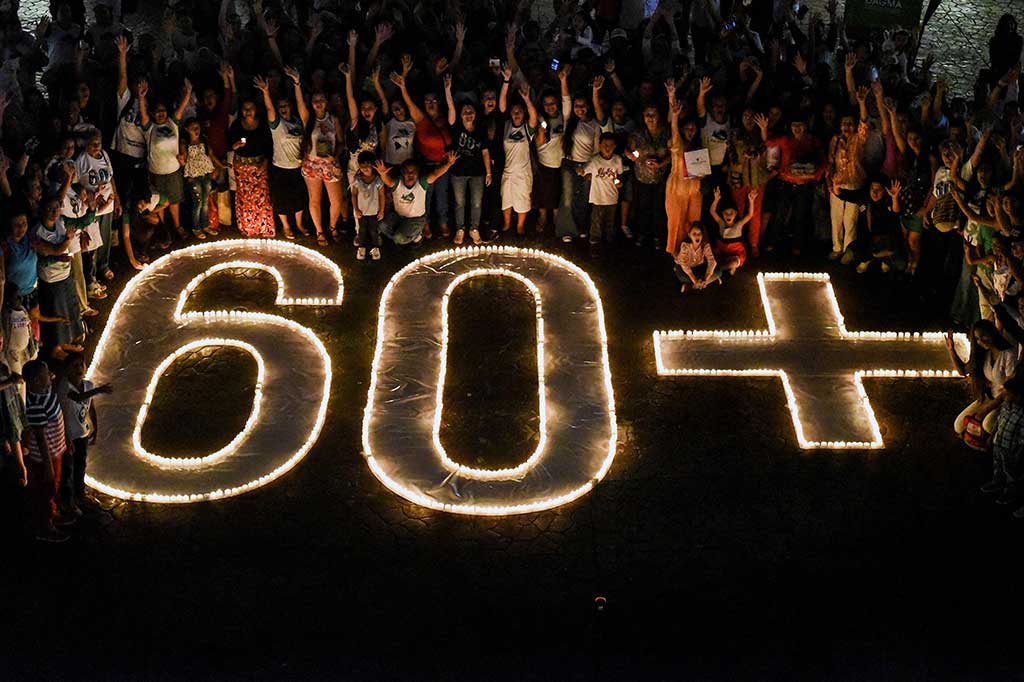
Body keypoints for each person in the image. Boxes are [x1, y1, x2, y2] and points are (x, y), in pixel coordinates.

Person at [255, 67, 309, 240]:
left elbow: (302, 108)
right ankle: (286, 227)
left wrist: (297, 83)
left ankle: (299, 224)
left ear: (290, 107)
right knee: (282, 199)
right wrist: (265, 92)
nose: (283, 109)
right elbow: (270, 110)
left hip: (298, 167)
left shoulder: (298, 123)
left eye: (285, 106)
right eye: (280, 107)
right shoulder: (277, 125)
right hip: (280, 168)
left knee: (299, 198)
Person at [138, 78, 192, 243]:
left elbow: (182, 109)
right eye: (157, 111)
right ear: (153, 113)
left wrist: (188, 92)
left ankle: (177, 226)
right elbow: (143, 114)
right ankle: (162, 229)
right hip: (157, 171)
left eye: (163, 110)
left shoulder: (172, 123)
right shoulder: (150, 128)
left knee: (174, 200)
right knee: (158, 204)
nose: (161, 113)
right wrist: (141, 98)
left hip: (173, 170)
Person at [22, 358, 71, 543]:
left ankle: (51, 512)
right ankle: (45, 526)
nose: (50, 377)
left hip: (55, 452)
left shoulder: (45, 391)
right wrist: (49, 465)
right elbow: (40, 438)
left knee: (53, 486)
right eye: (46, 375)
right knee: (46, 489)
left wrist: (66, 439)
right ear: (35, 381)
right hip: (45, 458)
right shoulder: (35, 404)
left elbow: (58, 415)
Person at [57, 352, 111, 515]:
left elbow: (90, 407)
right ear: (67, 370)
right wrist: (100, 389)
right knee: (68, 469)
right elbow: (79, 398)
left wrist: (94, 427)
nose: (79, 368)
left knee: (81, 464)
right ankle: (67, 502)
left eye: (81, 364)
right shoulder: (64, 387)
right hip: (68, 435)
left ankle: (80, 494)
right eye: (74, 366)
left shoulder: (88, 385)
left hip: (82, 433)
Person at [946, 321, 1018, 439]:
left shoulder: (1008, 354)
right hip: (989, 397)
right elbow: (963, 371)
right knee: (958, 426)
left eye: (984, 336)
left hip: (1004, 401)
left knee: (987, 425)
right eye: (977, 339)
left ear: (993, 333)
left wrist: (986, 409)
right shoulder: (984, 353)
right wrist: (951, 349)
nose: (981, 341)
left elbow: (1009, 389)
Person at [445, 75, 492, 245]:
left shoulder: (480, 129)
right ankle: (460, 229)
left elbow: (485, 152)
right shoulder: (455, 127)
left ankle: (474, 229)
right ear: (460, 115)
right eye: (465, 112)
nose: (468, 114)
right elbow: (450, 108)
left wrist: (488, 172)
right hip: (458, 173)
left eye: (471, 112)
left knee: (476, 203)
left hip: (477, 173)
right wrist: (447, 90)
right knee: (459, 203)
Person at [376, 153, 457, 245]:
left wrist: (449, 164)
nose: (410, 174)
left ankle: (416, 235)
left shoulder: (422, 183)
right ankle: (402, 234)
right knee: (382, 226)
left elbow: (436, 174)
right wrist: (383, 174)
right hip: (398, 216)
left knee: (399, 238)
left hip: (416, 219)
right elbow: (388, 181)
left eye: (413, 172)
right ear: (402, 173)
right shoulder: (398, 182)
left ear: (417, 173)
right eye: (407, 171)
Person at [227, 99, 275, 238]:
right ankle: (248, 227)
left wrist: (265, 162)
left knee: (261, 197)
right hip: (242, 167)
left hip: (259, 166)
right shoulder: (236, 125)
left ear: (256, 109)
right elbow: (230, 144)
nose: (248, 111)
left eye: (251, 108)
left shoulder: (262, 124)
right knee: (245, 197)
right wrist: (235, 146)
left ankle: (264, 227)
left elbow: (269, 145)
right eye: (245, 108)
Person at [664, 93, 703, 256]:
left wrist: (701, 174)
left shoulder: (697, 147)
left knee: (693, 222)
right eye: (687, 128)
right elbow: (673, 133)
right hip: (677, 190)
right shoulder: (678, 145)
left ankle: (691, 251)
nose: (690, 131)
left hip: (694, 191)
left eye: (693, 128)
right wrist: (674, 116)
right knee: (676, 222)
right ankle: (675, 252)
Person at [499, 80, 539, 236]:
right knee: (506, 198)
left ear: (524, 113)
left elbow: (534, 117)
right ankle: (507, 224)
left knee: (522, 199)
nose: (516, 114)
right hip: (508, 171)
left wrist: (527, 100)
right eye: (514, 112)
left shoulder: (527, 128)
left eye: (520, 112)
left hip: (523, 173)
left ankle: (520, 226)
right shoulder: (507, 125)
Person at [579, 131, 625, 250]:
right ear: (599, 145)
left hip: (612, 197)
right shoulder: (595, 161)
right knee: (596, 221)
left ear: (615, 146)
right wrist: (580, 171)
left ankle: (608, 241)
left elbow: (620, 175)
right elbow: (584, 171)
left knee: (610, 220)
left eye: (610, 145)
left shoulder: (617, 160)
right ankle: (594, 242)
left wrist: (619, 183)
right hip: (598, 198)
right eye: (605, 144)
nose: (607, 148)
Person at [985, 374, 1024, 506]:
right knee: (998, 465)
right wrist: (992, 436)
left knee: (1011, 472)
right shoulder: (1006, 407)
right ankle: (997, 483)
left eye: (1008, 393)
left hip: (1011, 448)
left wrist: (1019, 453)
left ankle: (1010, 493)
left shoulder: (1021, 414)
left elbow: (1022, 438)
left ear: (1017, 396)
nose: (1004, 395)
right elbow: (998, 421)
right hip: (999, 443)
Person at [179, 118, 216, 240]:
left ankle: (205, 225)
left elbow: (210, 155)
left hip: (205, 173)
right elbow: (184, 160)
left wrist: (220, 165)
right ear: (187, 129)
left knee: (205, 201)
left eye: (197, 127)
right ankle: (196, 227)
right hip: (194, 176)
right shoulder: (185, 143)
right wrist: (181, 160)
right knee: (198, 202)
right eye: (193, 128)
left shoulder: (204, 140)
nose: (196, 130)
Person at [709, 187, 757, 275]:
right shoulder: (721, 223)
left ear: (735, 214)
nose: (729, 215)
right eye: (726, 213)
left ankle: (718, 269)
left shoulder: (738, 225)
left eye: (731, 213)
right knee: (710, 255)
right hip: (722, 252)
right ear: (722, 214)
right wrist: (716, 199)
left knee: (733, 262)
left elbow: (750, 215)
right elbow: (712, 211)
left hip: (735, 254)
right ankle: (721, 268)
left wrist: (751, 200)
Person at [350, 152, 385, 261]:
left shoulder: (378, 180)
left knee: (374, 230)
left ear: (373, 166)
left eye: (367, 166)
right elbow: (354, 194)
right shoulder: (357, 179)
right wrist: (356, 209)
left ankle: (375, 247)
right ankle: (362, 247)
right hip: (362, 211)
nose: (365, 169)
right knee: (362, 230)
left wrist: (381, 210)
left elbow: (381, 195)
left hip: (374, 211)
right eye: (362, 167)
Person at [0, 360, 27, 488]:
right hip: (2, 409)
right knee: (8, 438)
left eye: (0, 342)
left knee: (14, 435)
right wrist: (11, 382)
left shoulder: (3, 360)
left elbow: (9, 373)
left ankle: (20, 469)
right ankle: (18, 471)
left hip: (9, 405)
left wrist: (16, 376)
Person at [674, 222, 720, 293]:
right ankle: (709, 281)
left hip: (698, 267)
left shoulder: (705, 245)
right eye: (694, 234)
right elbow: (684, 264)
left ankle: (693, 286)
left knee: (718, 271)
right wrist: (695, 280)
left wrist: (706, 279)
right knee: (682, 277)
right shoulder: (685, 246)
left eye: (699, 234)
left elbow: (712, 261)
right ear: (689, 235)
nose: (697, 236)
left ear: (702, 235)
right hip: (685, 268)